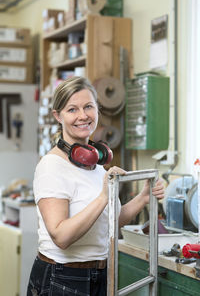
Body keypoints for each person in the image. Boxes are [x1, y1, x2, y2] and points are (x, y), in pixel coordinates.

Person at [27, 76, 165, 296]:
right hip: (62, 277)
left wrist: (143, 198)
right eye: (72, 109)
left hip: (100, 274)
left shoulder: (96, 166)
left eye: (88, 107)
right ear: (58, 115)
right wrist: (103, 196)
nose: (83, 116)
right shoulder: (51, 166)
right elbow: (61, 237)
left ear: (97, 110)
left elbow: (107, 222)